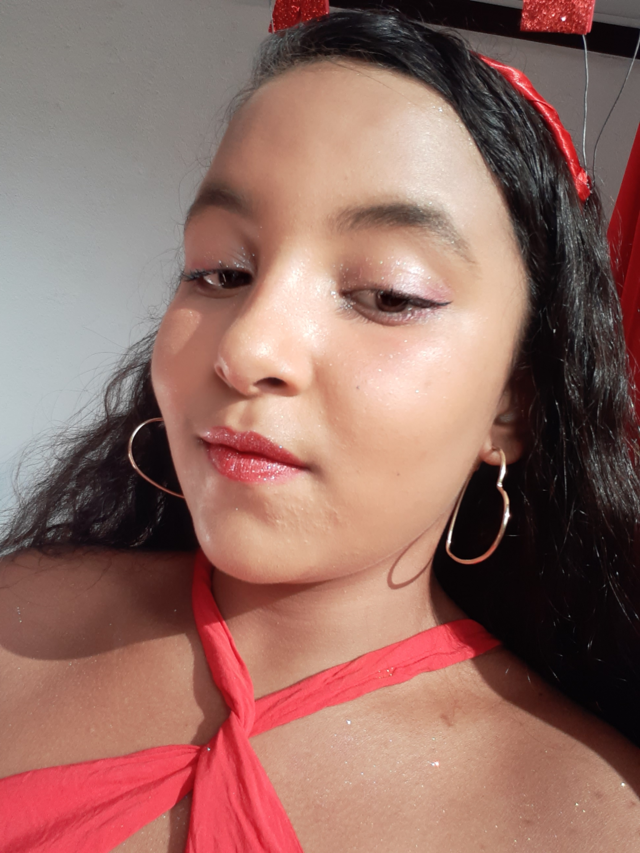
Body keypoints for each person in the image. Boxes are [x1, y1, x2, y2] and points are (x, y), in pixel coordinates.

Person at [1, 8, 639, 852]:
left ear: (512, 403)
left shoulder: (592, 819)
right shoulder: (19, 615)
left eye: (388, 295)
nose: (246, 349)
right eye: (221, 272)